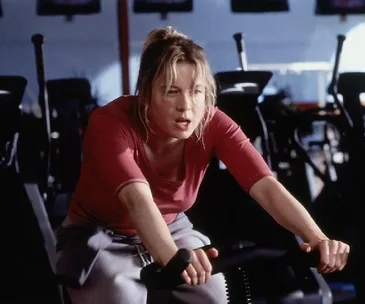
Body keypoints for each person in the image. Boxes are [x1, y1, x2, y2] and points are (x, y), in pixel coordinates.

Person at [56, 26, 350, 304]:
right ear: (145, 95)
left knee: (212, 292)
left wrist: (319, 238)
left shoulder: (210, 121)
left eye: (196, 91)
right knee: (121, 292)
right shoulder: (110, 123)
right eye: (172, 91)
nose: (187, 106)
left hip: (171, 226)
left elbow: (267, 187)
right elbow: (136, 199)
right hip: (99, 234)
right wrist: (173, 258)